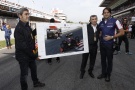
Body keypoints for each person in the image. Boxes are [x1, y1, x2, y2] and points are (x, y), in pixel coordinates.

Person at [14, 8, 45, 90]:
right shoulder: (18, 29)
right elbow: (24, 47)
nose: (28, 16)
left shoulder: (27, 26)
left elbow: (31, 36)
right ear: (20, 16)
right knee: (24, 75)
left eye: (28, 14)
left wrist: (39, 29)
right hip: (23, 56)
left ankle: (35, 83)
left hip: (30, 54)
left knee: (34, 70)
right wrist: (35, 56)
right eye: (26, 14)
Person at [97, 8, 124, 82]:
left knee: (109, 60)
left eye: (107, 12)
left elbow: (122, 32)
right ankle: (103, 73)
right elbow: (98, 31)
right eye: (104, 12)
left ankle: (108, 75)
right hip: (102, 44)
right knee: (103, 60)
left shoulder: (115, 21)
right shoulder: (101, 22)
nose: (106, 14)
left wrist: (111, 37)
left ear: (110, 13)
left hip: (110, 44)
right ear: (103, 14)